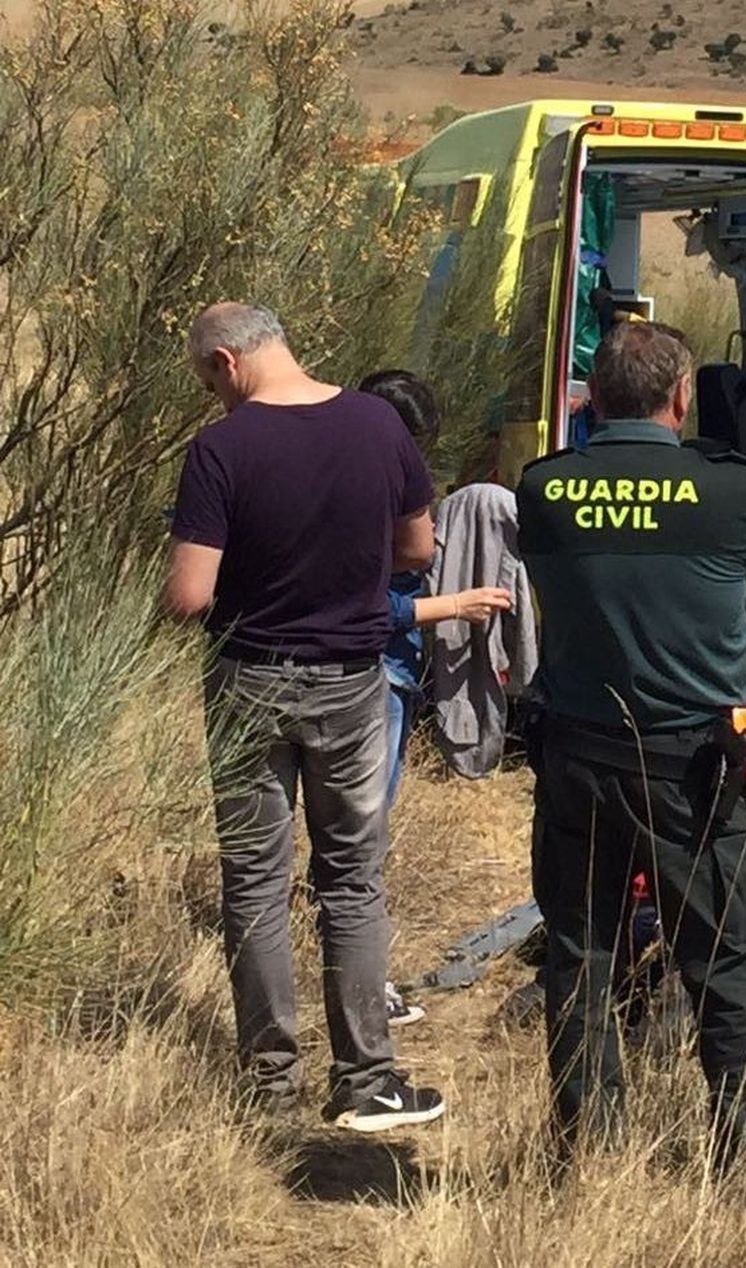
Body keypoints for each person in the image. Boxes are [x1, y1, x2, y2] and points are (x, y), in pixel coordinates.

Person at [516, 321, 746, 1179]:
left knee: (583, 952)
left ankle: (589, 1148)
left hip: (577, 760)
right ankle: (744, 1157)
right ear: (681, 399)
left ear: (593, 402)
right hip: (693, 768)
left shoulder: (546, 489)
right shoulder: (730, 489)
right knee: (728, 960)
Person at [163, 303, 445, 1132]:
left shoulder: (221, 449)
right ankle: (366, 1077)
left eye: (208, 381)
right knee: (351, 882)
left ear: (225, 361)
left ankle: (271, 1082)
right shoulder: (376, 425)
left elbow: (190, 597)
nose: (214, 397)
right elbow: (418, 550)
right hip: (352, 683)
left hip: (249, 680)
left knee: (255, 881)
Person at [357, 369, 512, 1029]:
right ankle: (365, 991)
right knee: (362, 842)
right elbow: (362, 607)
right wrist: (452, 602)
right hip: (373, 680)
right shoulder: (368, 491)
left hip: (361, 678)